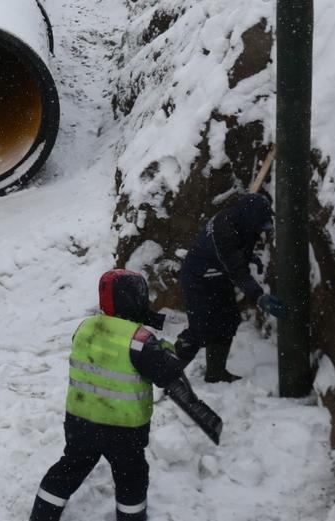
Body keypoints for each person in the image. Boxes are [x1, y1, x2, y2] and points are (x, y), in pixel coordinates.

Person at [29, 270, 212, 521]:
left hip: (80, 423)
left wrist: (147, 318)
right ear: (135, 299)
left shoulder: (84, 328)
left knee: (69, 468)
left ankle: (42, 515)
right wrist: (183, 343)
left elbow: (112, 336)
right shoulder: (140, 341)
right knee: (131, 478)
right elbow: (167, 370)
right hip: (123, 430)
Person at [175, 193, 287, 383]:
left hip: (219, 274)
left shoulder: (241, 220)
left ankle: (216, 373)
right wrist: (260, 297)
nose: (260, 231)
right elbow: (238, 272)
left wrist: (248, 256)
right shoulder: (224, 230)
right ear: (249, 219)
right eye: (259, 226)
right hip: (197, 278)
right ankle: (168, 374)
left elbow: (237, 250)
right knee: (200, 329)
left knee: (228, 321)